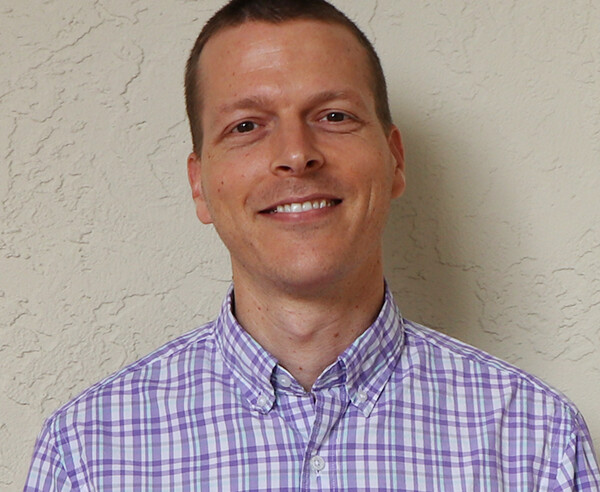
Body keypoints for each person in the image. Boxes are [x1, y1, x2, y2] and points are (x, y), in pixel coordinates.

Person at [24, 0, 600, 490]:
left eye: (333, 115)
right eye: (247, 126)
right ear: (199, 185)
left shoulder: (535, 442)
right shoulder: (89, 454)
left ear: (394, 160)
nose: (297, 154)